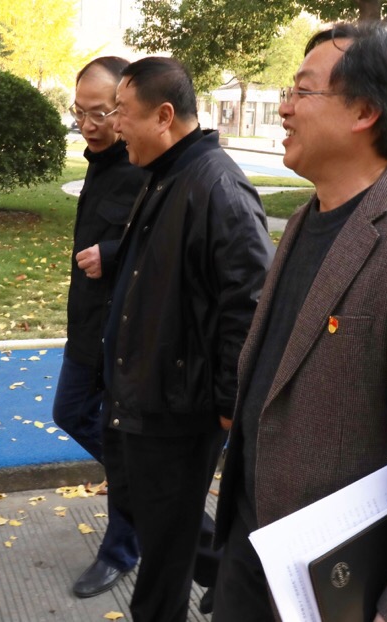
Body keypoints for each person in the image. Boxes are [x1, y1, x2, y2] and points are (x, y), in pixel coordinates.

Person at [213, 22, 387, 622]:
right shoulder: (304, 220)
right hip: (256, 548)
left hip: (335, 584)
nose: (285, 107)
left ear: (365, 112)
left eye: (302, 91)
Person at [102, 56, 274, 622]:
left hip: (178, 411)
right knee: (153, 527)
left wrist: (228, 402)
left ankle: (230, 580)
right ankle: (227, 575)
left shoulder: (217, 186)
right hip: (143, 397)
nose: (115, 125)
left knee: (161, 571)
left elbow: (248, 303)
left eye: (123, 112)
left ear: (164, 116)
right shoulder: (167, 173)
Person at [50, 56, 145, 598]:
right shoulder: (100, 161)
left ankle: (121, 548)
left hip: (125, 335)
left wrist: (113, 253)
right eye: (79, 111)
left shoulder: (145, 166)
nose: (87, 124)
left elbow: (167, 247)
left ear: (125, 107)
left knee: (120, 437)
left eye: (100, 113)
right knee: (71, 412)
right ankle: (162, 498)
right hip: (87, 326)